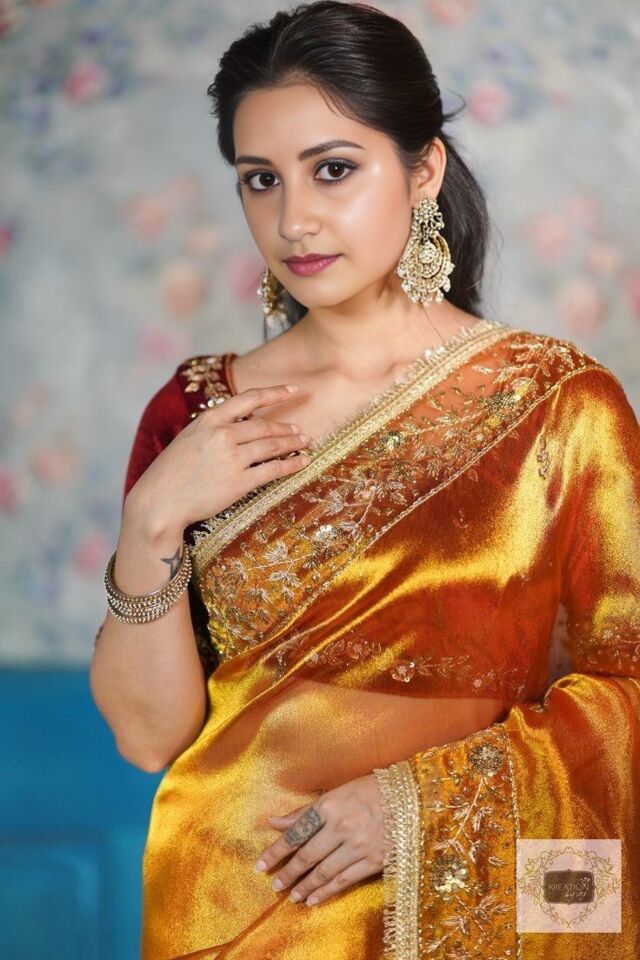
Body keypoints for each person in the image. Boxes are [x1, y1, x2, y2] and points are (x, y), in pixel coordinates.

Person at [89, 3, 640, 958]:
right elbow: (147, 741)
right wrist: (149, 526)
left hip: (470, 907)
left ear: (423, 170)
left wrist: (414, 809)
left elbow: (628, 687)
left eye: (333, 169)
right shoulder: (197, 414)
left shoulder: (558, 404)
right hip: (231, 903)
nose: (293, 219)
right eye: (260, 180)